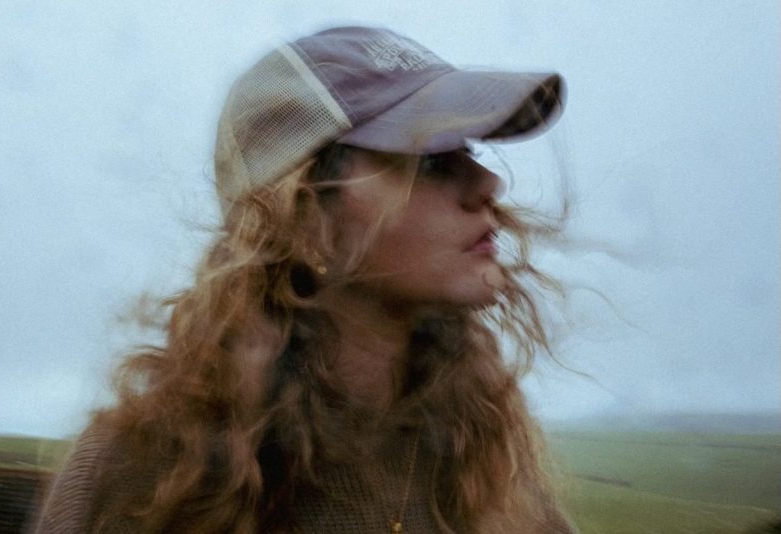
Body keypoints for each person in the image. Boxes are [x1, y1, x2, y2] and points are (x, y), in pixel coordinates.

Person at [35, 25, 575, 533]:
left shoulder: (489, 466)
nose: (488, 182)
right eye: (430, 161)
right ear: (302, 216)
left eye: (469, 152)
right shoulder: (135, 474)